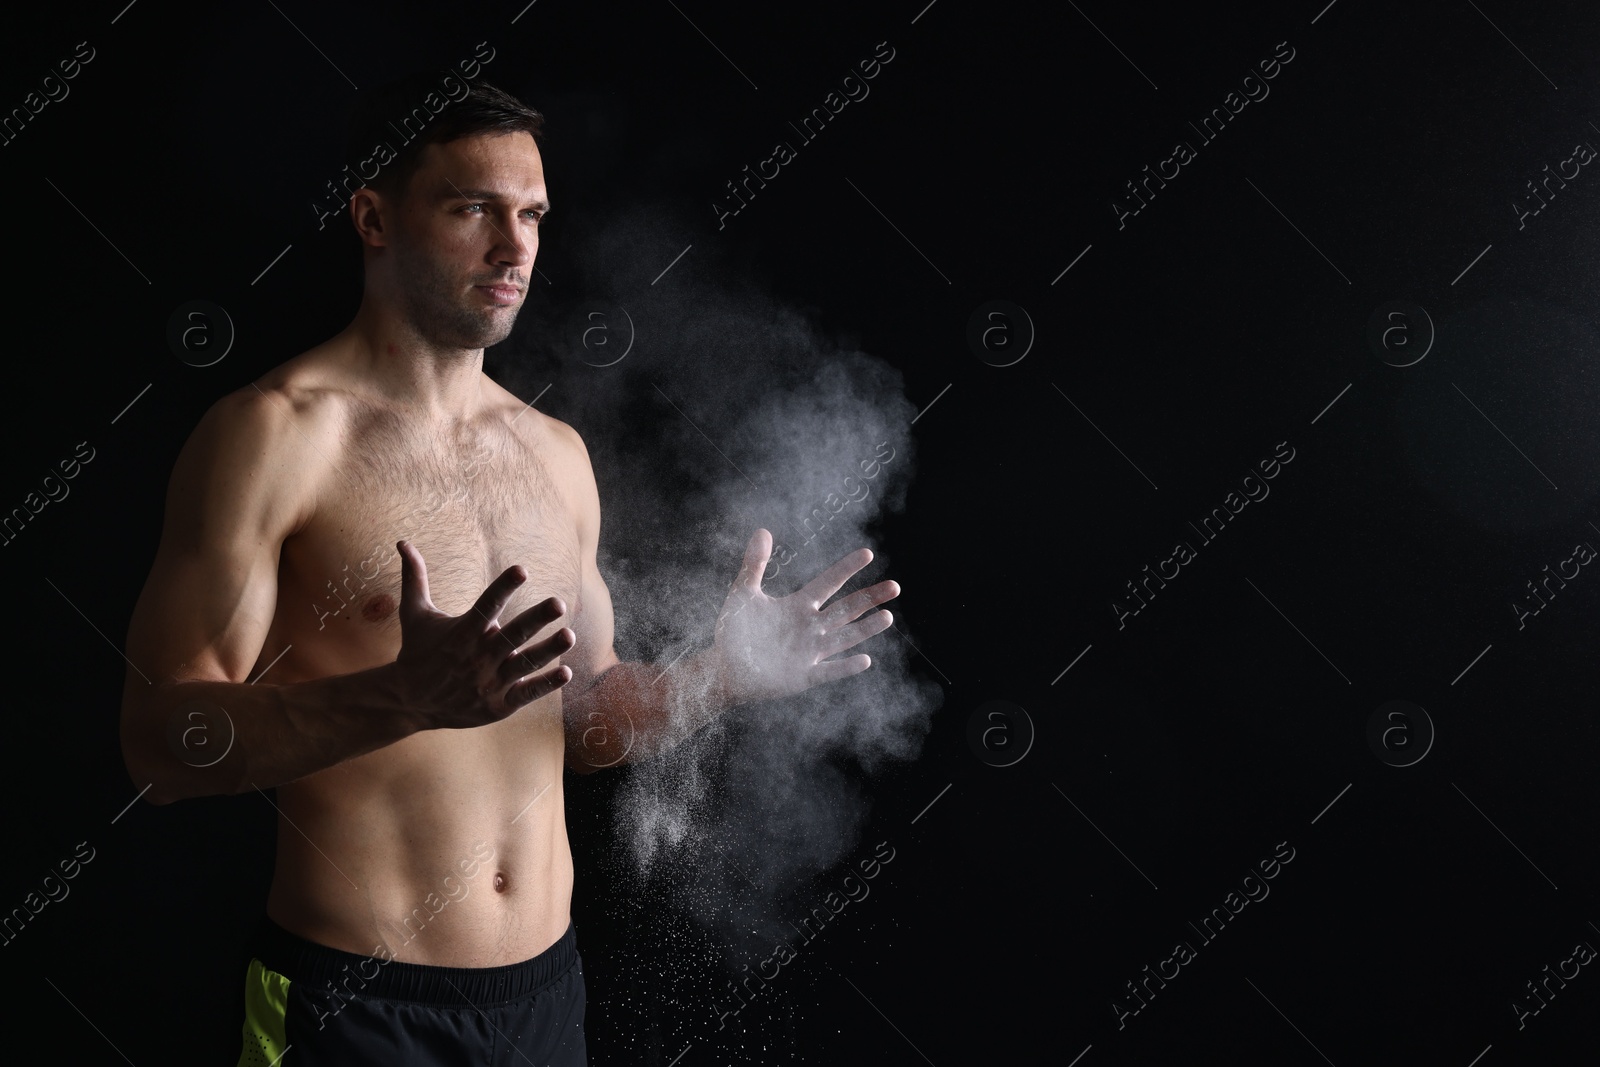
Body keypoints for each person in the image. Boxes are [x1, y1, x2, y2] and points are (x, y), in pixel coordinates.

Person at [117, 71, 901, 1065]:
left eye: (530, 213)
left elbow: (585, 727)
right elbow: (157, 749)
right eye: (471, 209)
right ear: (373, 218)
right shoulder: (275, 438)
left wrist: (718, 678)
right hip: (353, 1008)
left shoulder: (555, 455)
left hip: (538, 1002)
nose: (514, 245)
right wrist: (399, 697)